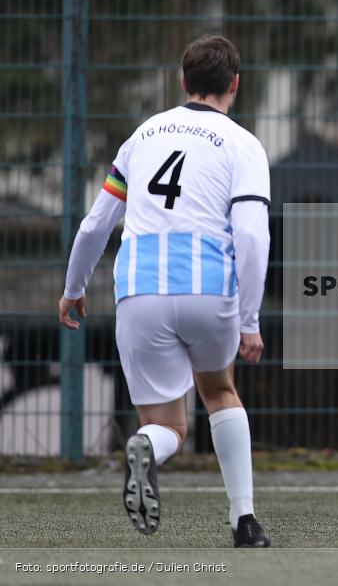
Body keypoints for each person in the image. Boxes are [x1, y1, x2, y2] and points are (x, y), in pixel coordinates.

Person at [58, 35, 272, 548]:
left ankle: (144, 449)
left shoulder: (142, 136)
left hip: (139, 292)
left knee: (166, 425)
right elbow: (250, 234)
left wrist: (73, 288)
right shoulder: (243, 143)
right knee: (219, 392)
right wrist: (249, 318)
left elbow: (93, 226)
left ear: (183, 81)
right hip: (208, 291)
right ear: (234, 85)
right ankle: (244, 522)